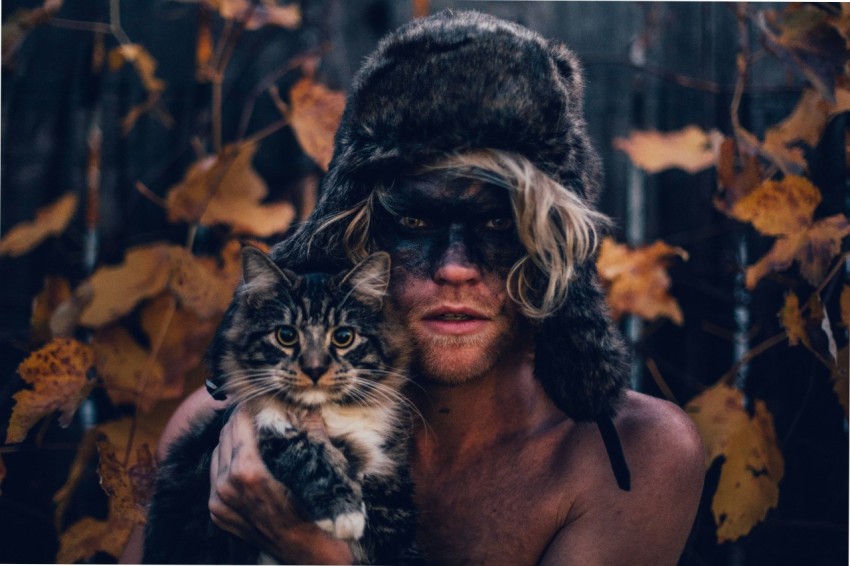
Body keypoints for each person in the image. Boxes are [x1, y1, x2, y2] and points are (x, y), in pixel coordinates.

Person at [124, 10, 704, 565]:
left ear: (548, 244)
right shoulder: (228, 431)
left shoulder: (627, 457)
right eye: (416, 224)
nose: (455, 268)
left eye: (499, 224)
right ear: (354, 236)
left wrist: (315, 554)